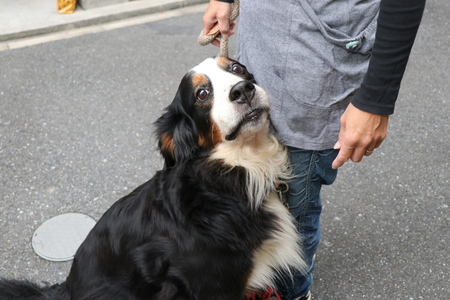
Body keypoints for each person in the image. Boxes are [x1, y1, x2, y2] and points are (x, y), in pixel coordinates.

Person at [202, 0, 426, 299]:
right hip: (260, 57)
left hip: (313, 74)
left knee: (294, 216)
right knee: (256, 203)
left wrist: (376, 99)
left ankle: (293, 291)